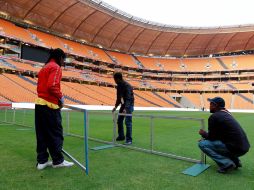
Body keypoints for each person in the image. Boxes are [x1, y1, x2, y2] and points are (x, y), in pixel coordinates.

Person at [35, 48, 74, 170]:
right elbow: (52, 86)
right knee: (55, 133)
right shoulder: (55, 67)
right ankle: (58, 161)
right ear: (60, 58)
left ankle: (42, 161)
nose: (63, 62)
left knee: (42, 134)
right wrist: (61, 97)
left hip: (39, 105)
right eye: (64, 59)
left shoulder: (44, 67)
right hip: (50, 106)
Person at [198, 97, 250, 174]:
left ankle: (226, 164)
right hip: (244, 147)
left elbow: (212, 137)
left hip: (235, 148)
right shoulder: (227, 113)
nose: (209, 106)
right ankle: (236, 161)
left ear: (215, 105)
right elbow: (219, 135)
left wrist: (204, 134)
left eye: (211, 104)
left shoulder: (214, 116)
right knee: (221, 143)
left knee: (202, 144)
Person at [112, 72, 134, 145]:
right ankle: (121, 136)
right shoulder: (119, 86)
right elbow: (119, 98)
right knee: (119, 120)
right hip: (123, 105)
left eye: (115, 79)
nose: (114, 81)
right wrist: (115, 106)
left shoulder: (127, 86)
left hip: (129, 105)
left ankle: (129, 140)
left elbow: (128, 98)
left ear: (118, 79)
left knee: (128, 122)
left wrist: (126, 108)